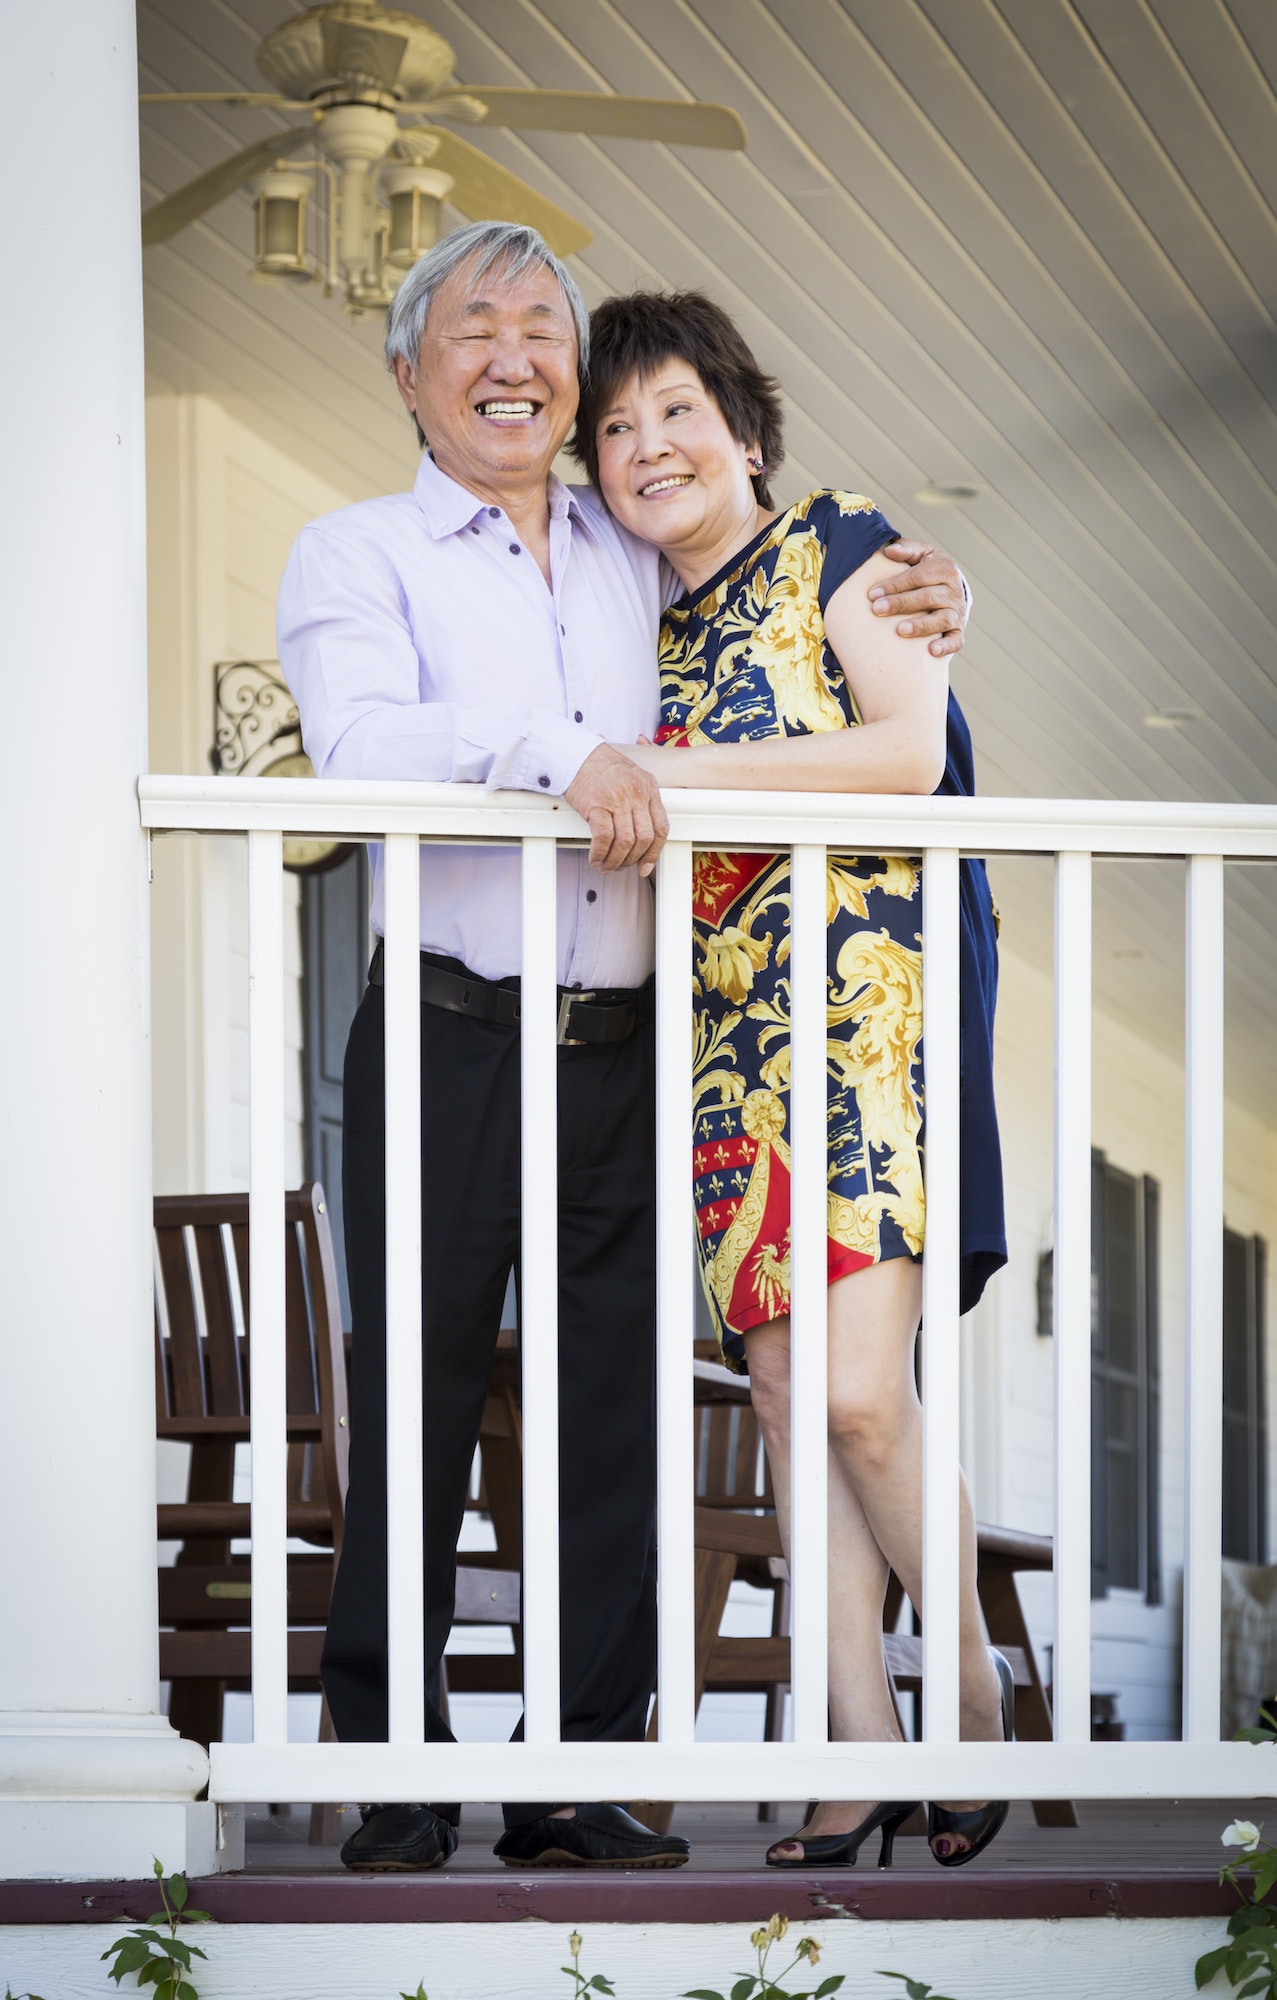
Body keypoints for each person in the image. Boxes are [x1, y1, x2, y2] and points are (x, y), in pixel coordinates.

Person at [277, 223, 971, 1874]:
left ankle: (576, 1775)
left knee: (612, 1412)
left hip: (633, 1038)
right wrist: (557, 751)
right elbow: (365, 741)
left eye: (542, 326)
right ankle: (395, 1774)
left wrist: (918, 581)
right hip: (448, 1022)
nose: (514, 353)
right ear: (407, 374)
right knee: (418, 1399)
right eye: (475, 326)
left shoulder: (623, 538)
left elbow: (779, 574)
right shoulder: (355, 549)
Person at [573, 288, 1009, 1870]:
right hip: (726, 1040)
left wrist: (675, 778)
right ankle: (852, 1757)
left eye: (676, 408)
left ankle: (967, 1702)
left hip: (862, 1016)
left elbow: (903, 751)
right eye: (614, 429)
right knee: (776, 1400)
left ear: (745, 435)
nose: (646, 445)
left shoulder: (842, 548)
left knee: (851, 1396)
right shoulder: (634, 622)